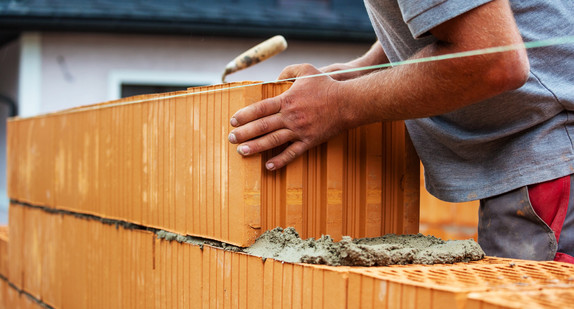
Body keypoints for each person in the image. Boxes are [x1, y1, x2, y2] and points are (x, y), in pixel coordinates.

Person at [227, 0, 574, 262]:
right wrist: (361, 71)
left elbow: (494, 60)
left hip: (553, 149)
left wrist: (339, 104)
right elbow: (442, 14)